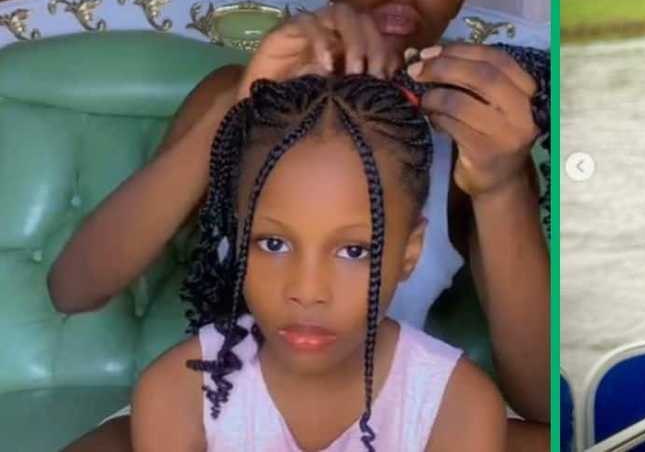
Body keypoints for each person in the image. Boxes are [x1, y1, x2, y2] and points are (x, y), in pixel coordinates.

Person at [52, 0, 549, 450]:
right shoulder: (232, 97)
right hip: (224, 410)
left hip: (385, 415)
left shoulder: (474, 139)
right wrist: (240, 111)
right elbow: (74, 289)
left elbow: (541, 399)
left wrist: (501, 183)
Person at [132, 74, 505, 451]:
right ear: (238, 237)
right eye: (273, 244)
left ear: (410, 253)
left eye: (353, 251)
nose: (307, 291)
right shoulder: (177, 394)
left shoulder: (456, 406)